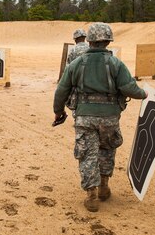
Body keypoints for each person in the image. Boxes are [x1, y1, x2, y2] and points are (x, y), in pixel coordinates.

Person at [53, 22, 147, 212]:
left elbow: (61, 89)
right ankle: (104, 186)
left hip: (84, 117)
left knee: (87, 154)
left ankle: (91, 195)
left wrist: (58, 111)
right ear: (108, 41)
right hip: (110, 117)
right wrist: (145, 94)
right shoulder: (115, 63)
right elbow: (130, 88)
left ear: (89, 41)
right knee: (107, 150)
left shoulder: (76, 64)